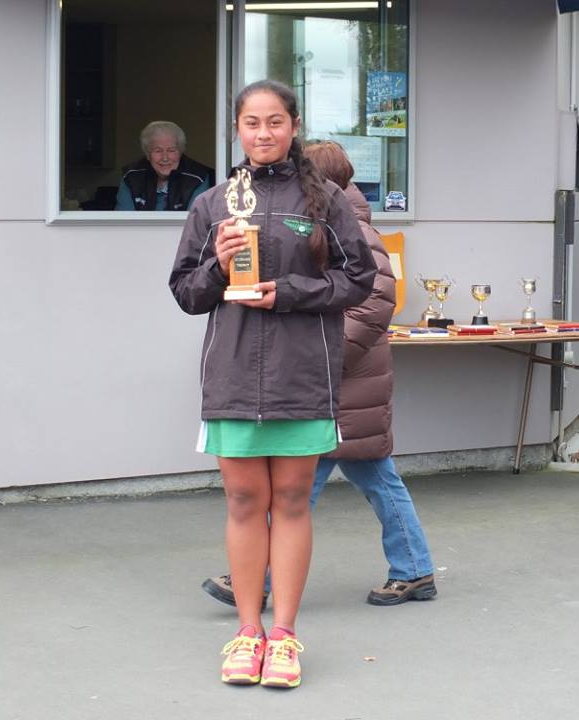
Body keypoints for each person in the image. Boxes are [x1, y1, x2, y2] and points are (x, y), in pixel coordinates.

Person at [169, 80, 376, 689]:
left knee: (290, 503)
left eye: (276, 122)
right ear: (237, 128)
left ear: (293, 127)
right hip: (232, 375)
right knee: (242, 503)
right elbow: (186, 292)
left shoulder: (326, 200)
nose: (264, 133)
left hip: (301, 375)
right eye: (252, 123)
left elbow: (358, 279)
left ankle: (283, 635)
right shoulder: (211, 204)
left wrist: (286, 294)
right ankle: (247, 630)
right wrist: (218, 263)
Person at [201, 140, 436, 612]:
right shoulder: (323, 220)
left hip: (339, 380)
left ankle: (261, 580)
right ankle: (414, 568)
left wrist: (323, 356)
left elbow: (374, 304)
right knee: (365, 477)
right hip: (335, 383)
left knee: (303, 491)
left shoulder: (346, 226)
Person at [116, 121, 212, 211]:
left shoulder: (197, 178)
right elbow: (122, 222)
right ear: (147, 154)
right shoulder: (132, 177)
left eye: (171, 150)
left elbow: (194, 223)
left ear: (180, 152)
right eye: (158, 151)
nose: (165, 158)